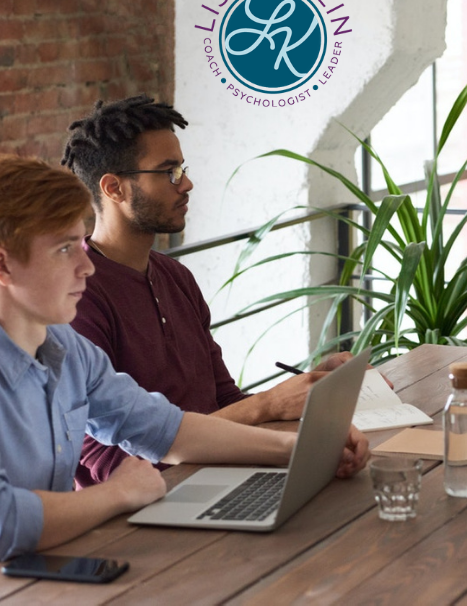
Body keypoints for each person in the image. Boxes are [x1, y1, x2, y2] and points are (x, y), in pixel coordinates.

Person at [0, 156, 370, 560]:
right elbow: (6, 524)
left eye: (82, 244)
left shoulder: (68, 349)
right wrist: (119, 494)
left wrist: (301, 448)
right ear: (4, 264)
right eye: (64, 249)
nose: (86, 266)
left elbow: (166, 430)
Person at [60, 96, 354, 486]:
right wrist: (268, 406)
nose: (186, 183)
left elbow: (224, 400)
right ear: (114, 188)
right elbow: (109, 465)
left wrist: (305, 394)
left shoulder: (175, 276)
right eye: (168, 172)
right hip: (145, 509)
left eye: (181, 168)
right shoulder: (77, 297)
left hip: (221, 475)